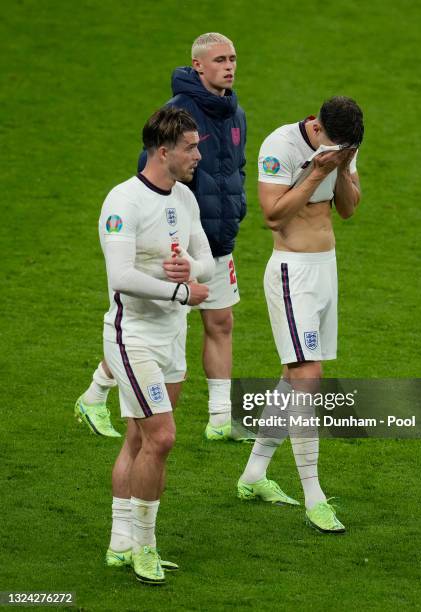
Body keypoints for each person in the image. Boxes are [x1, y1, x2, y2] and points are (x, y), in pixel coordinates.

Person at [75, 32, 247, 441]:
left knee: (221, 320)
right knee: (147, 327)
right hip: (178, 242)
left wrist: (235, 209)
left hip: (216, 238)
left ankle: (221, 417)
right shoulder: (177, 116)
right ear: (198, 65)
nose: (230, 66)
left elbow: (236, 167)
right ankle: (96, 394)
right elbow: (153, 178)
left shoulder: (235, 112)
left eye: (233, 58)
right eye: (220, 59)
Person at [236, 96, 364, 533]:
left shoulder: (345, 144)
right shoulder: (281, 146)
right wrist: (318, 172)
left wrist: (343, 168)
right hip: (292, 274)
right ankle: (314, 495)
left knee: (293, 378)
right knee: (308, 374)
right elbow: (272, 215)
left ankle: (254, 474)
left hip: (327, 269)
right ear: (318, 126)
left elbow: (347, 209)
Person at [97, 106, 214, 585]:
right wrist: (182, 291)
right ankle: (145, 545)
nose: (198, 156)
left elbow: (205, 258)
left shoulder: (184, 198)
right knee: (162, 437)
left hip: (172, 337)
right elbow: (120, 276)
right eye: (190, 147)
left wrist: (190, 269)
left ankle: (119, 540)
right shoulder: (122, 202)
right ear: (163, 152)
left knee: (140, 438)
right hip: (132, 338)